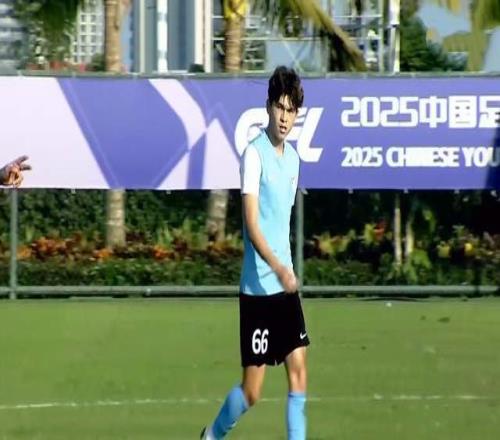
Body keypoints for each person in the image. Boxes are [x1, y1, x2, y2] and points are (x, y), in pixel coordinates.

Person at [201, 66, 309, 439]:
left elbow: (281, 224)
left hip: (285, 290)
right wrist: (278, 267)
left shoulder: (294, 160)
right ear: (268, 107)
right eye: (280, 107)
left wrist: (285, 270)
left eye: (291, 110)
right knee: (252, 392)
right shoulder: (253, 155)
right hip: (258, 293)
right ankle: (211, 435)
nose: (284, 117)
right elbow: (252, 224)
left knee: (299, 373)